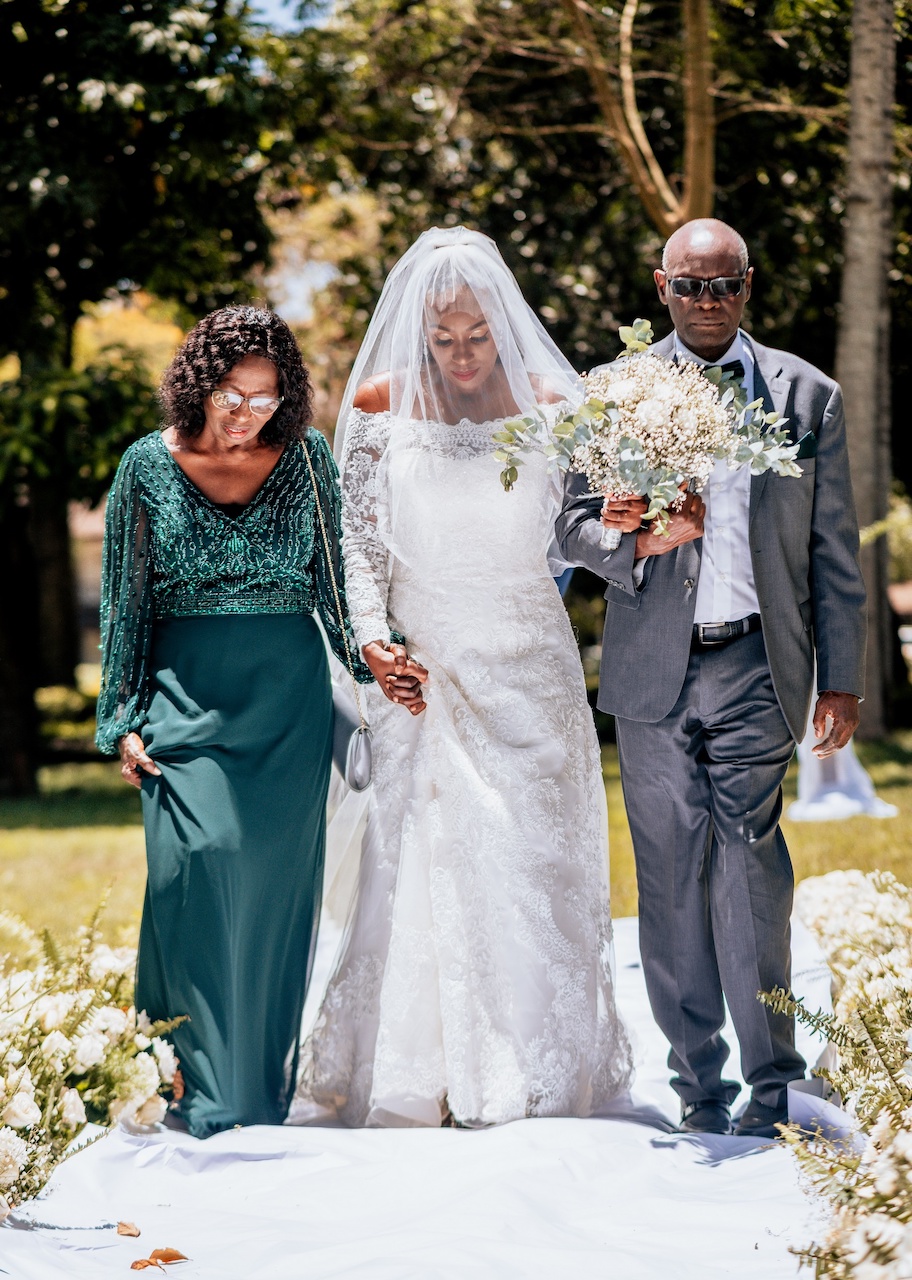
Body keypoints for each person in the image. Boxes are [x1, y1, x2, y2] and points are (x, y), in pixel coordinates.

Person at [297, 227, 635, 1128]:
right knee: (422, 860)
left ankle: (528, 1068)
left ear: (504, 324)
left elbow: (581, 534)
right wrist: (374, 642)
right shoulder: (375, 405)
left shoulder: (558, 403)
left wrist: (642, 529)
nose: (460, 352)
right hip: (425, 667)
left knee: (531, 854)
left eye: (476, 335)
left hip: (529, 655)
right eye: (443, 337)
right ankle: (422, 1072)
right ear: (417, 328)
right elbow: (359, 553)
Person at [557, 218, 866, 1139]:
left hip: (759, 663)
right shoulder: (610, 395)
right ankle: (700, 1086)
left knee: (750, 868)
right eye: (689, 286)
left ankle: (774, 1084)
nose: (706, 301)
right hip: (653, 671)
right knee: (668, 877)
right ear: (661, 288)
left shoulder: (807, 396)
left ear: (747, 286)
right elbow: (567, 532)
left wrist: (841, 676)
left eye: (723, 285)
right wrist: (636, 538)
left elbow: (833, 552)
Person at [95, 306, 423, 1138]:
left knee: (275, 903)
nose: (247, 413)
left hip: (286, 705)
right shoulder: (145, 466)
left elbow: (335, 581)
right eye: (233, 394)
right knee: (193, 874)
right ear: (199, 384)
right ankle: (186, 1086)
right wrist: (121, 718)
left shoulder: (306, 458)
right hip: (183, 700)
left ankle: (252, 1095)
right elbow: (124, 604)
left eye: (267, 397)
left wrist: (370, 655)